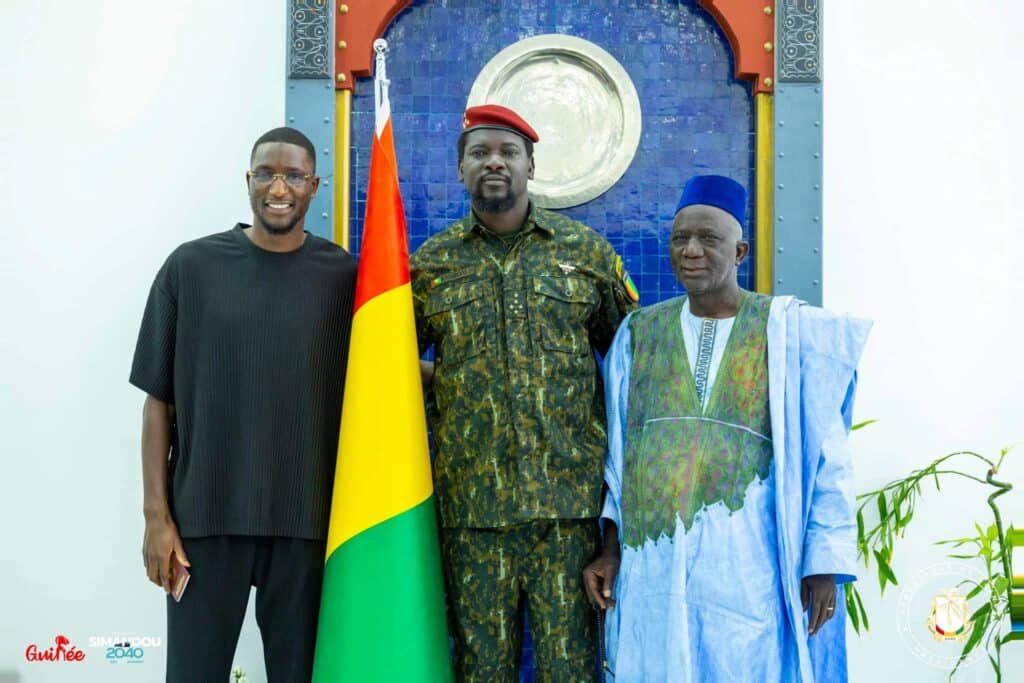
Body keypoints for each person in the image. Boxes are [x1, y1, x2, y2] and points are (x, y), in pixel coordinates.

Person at [583, 175, 869, 682]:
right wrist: (610, 548)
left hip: (748, 571)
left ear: (740, 252)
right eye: (680, 239)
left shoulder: (789, 333)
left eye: (708, 239)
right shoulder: (637, 335)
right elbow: (618, 459)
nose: (691, 250)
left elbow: (826, 456)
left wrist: (823, 563)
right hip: (656, 567)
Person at [411, 104, 639, 681]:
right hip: (472, 516)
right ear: (460, 168)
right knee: (479, 670)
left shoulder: (585, 253)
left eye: (509, 152)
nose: (495, 162)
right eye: (480, 153)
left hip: (568, 517)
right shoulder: (430, 265)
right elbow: (389, 371)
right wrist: (449, 382)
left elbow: (631, 366)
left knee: (571, 671)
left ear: (530, 166)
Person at [129, 127, 357, 682]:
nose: (279, 188)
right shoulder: (190, 268)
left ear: (314, 186)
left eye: (294, 176)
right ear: (248, 181)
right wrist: (157, 519)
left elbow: (378, 382)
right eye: (266, 174)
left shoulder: (344, 277)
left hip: (307, 526)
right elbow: (158, 402)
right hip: (204, 523)